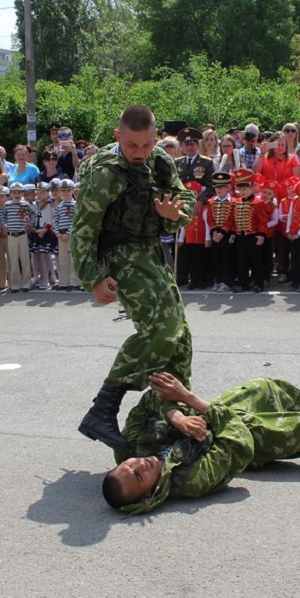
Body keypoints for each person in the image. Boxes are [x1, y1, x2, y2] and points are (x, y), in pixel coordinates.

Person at [71, 105, 195, 453]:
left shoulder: (160, 162)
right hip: (119, 255)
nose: (140, 153)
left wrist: (176, 213)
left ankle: (167, 418)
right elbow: (82, 230)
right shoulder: (105, 175)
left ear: (156, 138)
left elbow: (185, 197)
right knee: (162, 328)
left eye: (146, 145)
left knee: (180, 337)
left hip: (152, 253)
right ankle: (104, 407)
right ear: (117, 138)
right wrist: (92, 278)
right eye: (131, 146)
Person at [102, 371, 300, 514]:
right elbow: (236, 442)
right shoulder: (190, 480)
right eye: (138, 477)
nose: (139, 465)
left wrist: (176, 417)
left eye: (129, 466)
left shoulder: (132, 446)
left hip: (211, 414)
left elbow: (149, 401)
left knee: (263, 387)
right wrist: (189, 399)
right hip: (248, 436)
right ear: (147, 494)